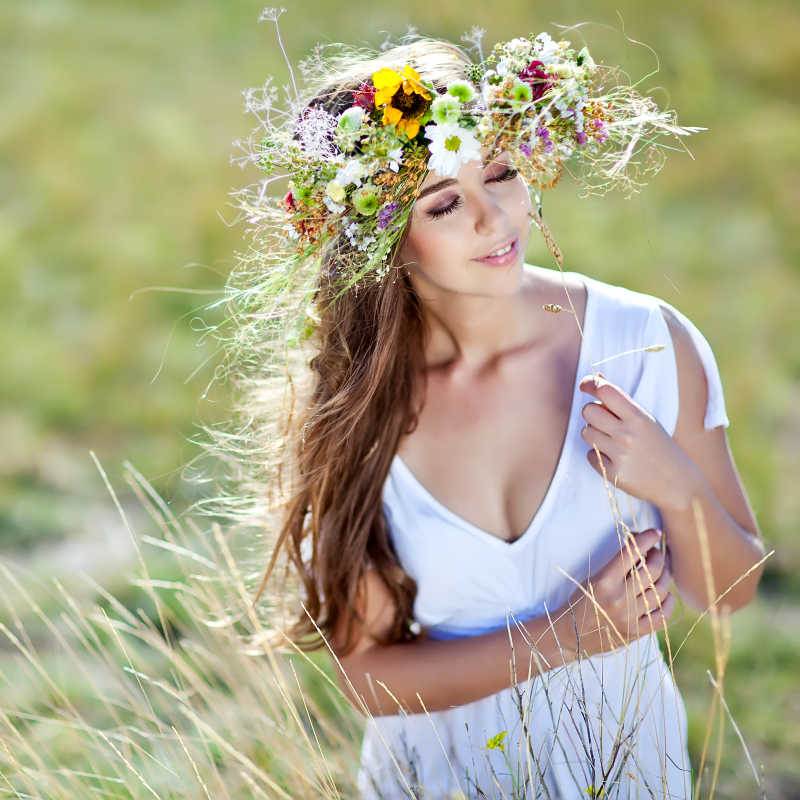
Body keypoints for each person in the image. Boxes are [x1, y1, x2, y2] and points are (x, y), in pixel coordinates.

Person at [225, 20, 766, 798]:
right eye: (445, 205)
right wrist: (564, 638)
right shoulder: (360, 406)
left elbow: (732, 592)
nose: (494, 218)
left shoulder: (644, 342)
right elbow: (368, 677)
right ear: (383, 238)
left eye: (503, 173)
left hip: (626, 773)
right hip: (436, 779)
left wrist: (678, 487)